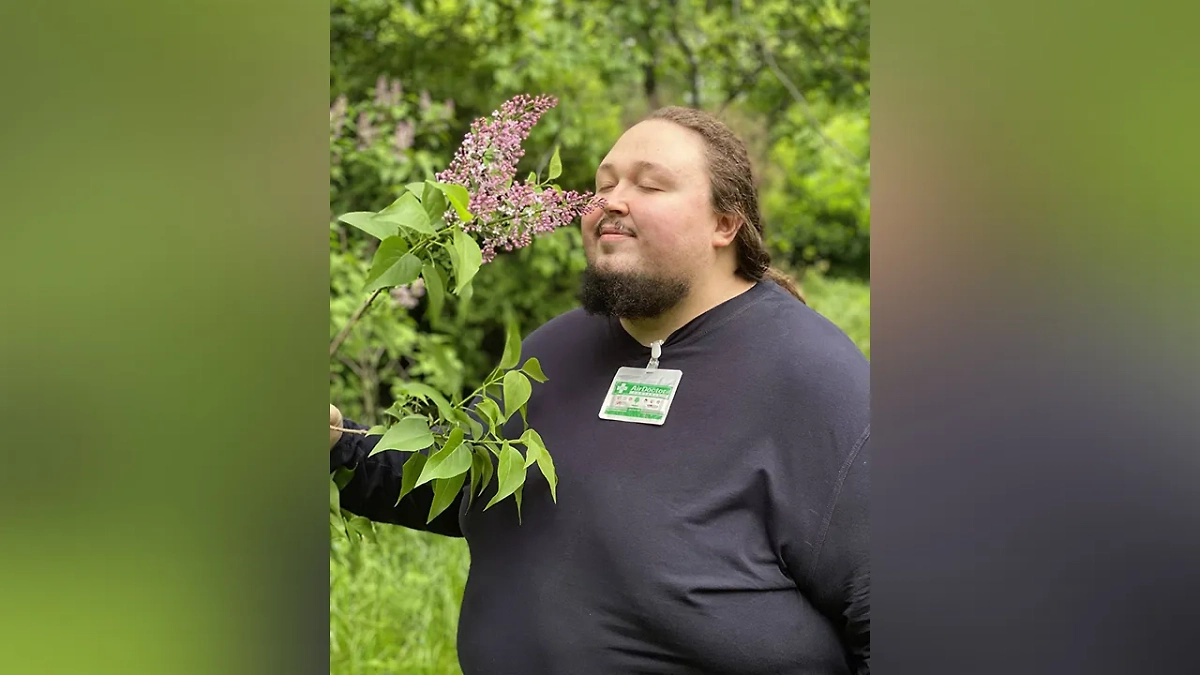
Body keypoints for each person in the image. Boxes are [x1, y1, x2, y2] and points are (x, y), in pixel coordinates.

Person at [330, 106, 870, 674]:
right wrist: (336, 445)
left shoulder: (813, 378)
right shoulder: (552, 353)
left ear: (725, 224)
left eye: (649, 185)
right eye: (604, 184)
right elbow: (461, 482)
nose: (611, 201)